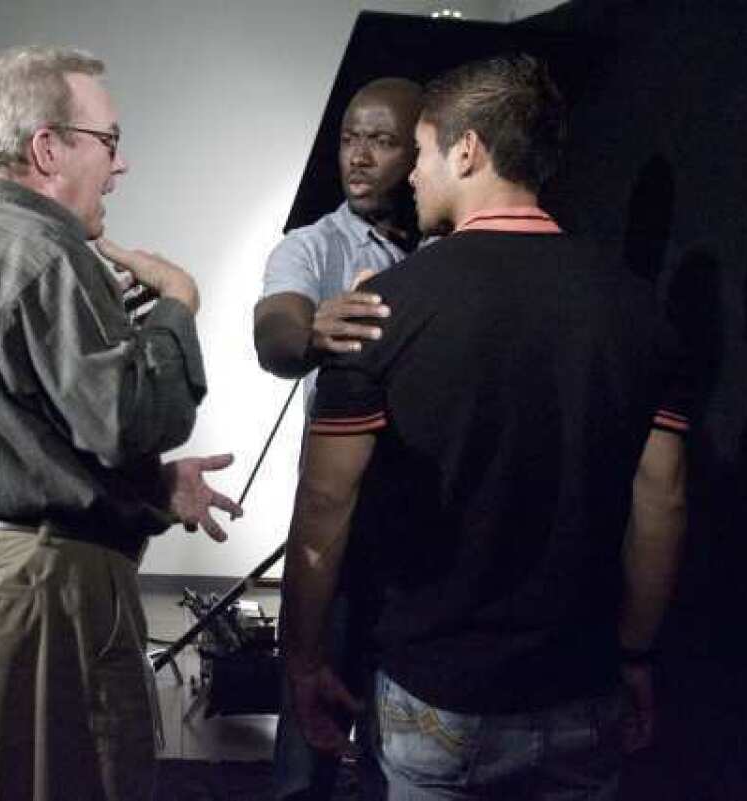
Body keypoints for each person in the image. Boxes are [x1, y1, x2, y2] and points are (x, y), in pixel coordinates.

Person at [282, 54, 689, 800]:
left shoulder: (379, 310)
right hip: (582, 684)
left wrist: (304, 662)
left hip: (436, 690)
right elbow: (661, 503)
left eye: (425, 150)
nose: (411, 174)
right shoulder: (640, 312)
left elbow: (323, 508)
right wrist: (637, 655)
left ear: (467, 150)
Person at [0, 45, 243, 801]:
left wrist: (150, 488)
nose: (121, 165)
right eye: (109, 141)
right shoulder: (44, 255)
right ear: (48, 147)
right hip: (35, 603)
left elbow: (17, 438)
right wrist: (177, 306)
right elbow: (137, 421)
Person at [253, 78, 422, 801]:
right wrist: (309, 331)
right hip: (339, 527)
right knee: (306, 739)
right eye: (351, 136)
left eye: (381, 141)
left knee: (404, 745)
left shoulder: (448, 248)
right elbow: (275, 332)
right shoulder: (312, 244)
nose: (358, 155)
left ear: (421, 152)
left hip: (423, 532)